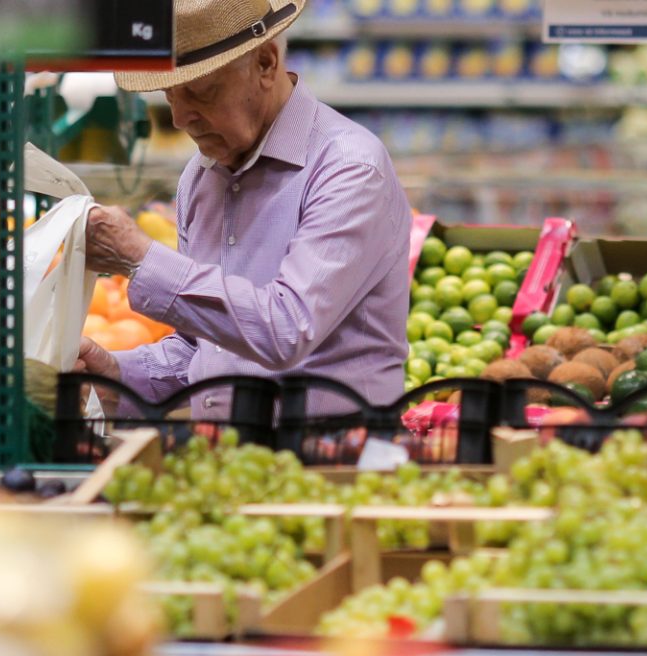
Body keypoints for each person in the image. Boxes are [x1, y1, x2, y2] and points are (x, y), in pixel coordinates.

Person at [73, 0, 412, 415]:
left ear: (266, 63)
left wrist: (141, 258)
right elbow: (209, 348)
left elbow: (286, 329)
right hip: (225, 461)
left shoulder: (348, 168)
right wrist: (120, 375)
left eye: (201, 91)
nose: (180, 117)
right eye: (169, 94)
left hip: (330, 463)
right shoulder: (200, 180)